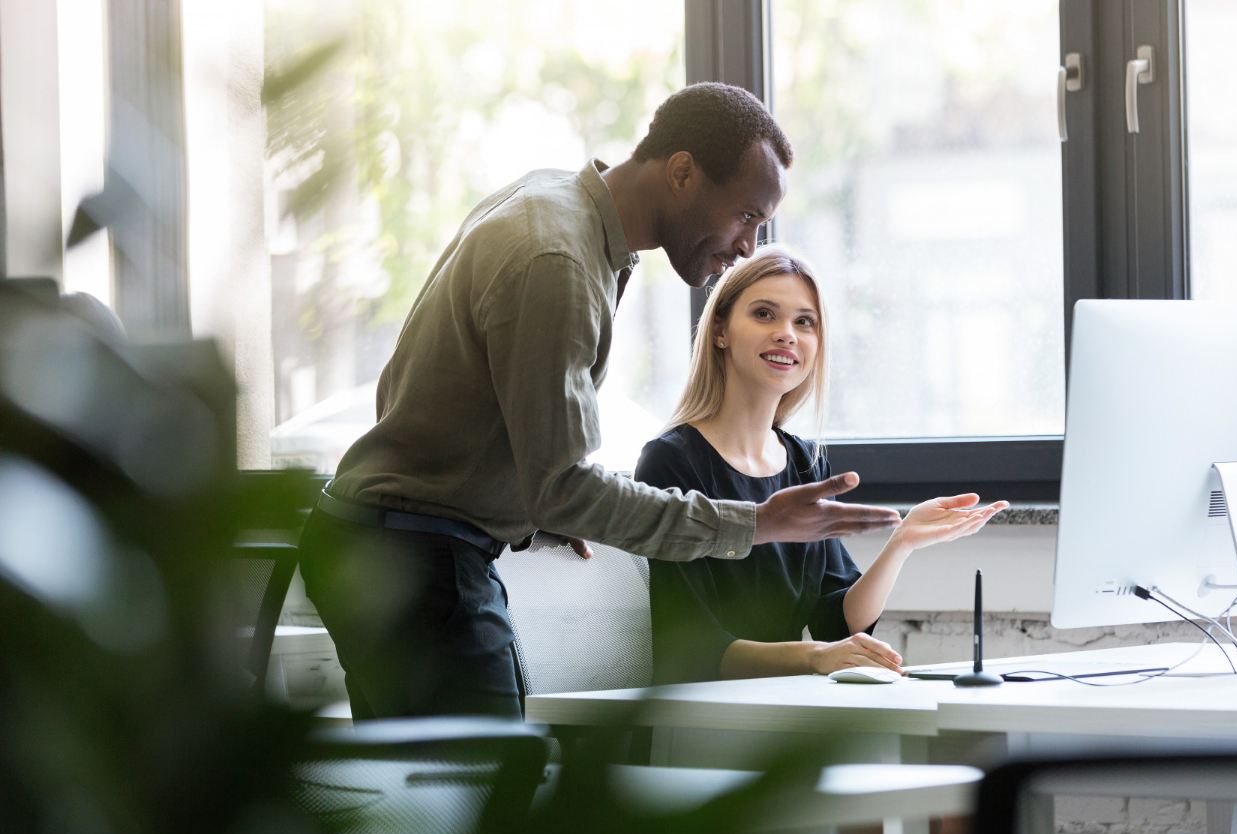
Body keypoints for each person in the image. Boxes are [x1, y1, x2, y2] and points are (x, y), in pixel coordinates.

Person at [297, 83, 901, 722]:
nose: (750, 246)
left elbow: (432, 400)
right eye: (747, 215)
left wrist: (538, 494)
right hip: (410, 554)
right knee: (482, 794)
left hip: (399, 541)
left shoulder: (558, 210)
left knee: (441, 799)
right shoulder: (558, 258)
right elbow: (564, 486)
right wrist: (756, 524)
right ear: (683, 173)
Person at [632, 245, 1006, 834]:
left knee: (968, 832)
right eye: (764, 313)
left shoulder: (801, 460)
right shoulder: (671, 462)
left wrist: (901, 542)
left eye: (805, 321)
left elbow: (835, 612)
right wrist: (814, 660)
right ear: (721, 333)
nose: (787, 335)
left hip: (784, 722)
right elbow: (692, 648)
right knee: (907, 826)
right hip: (705, 735)